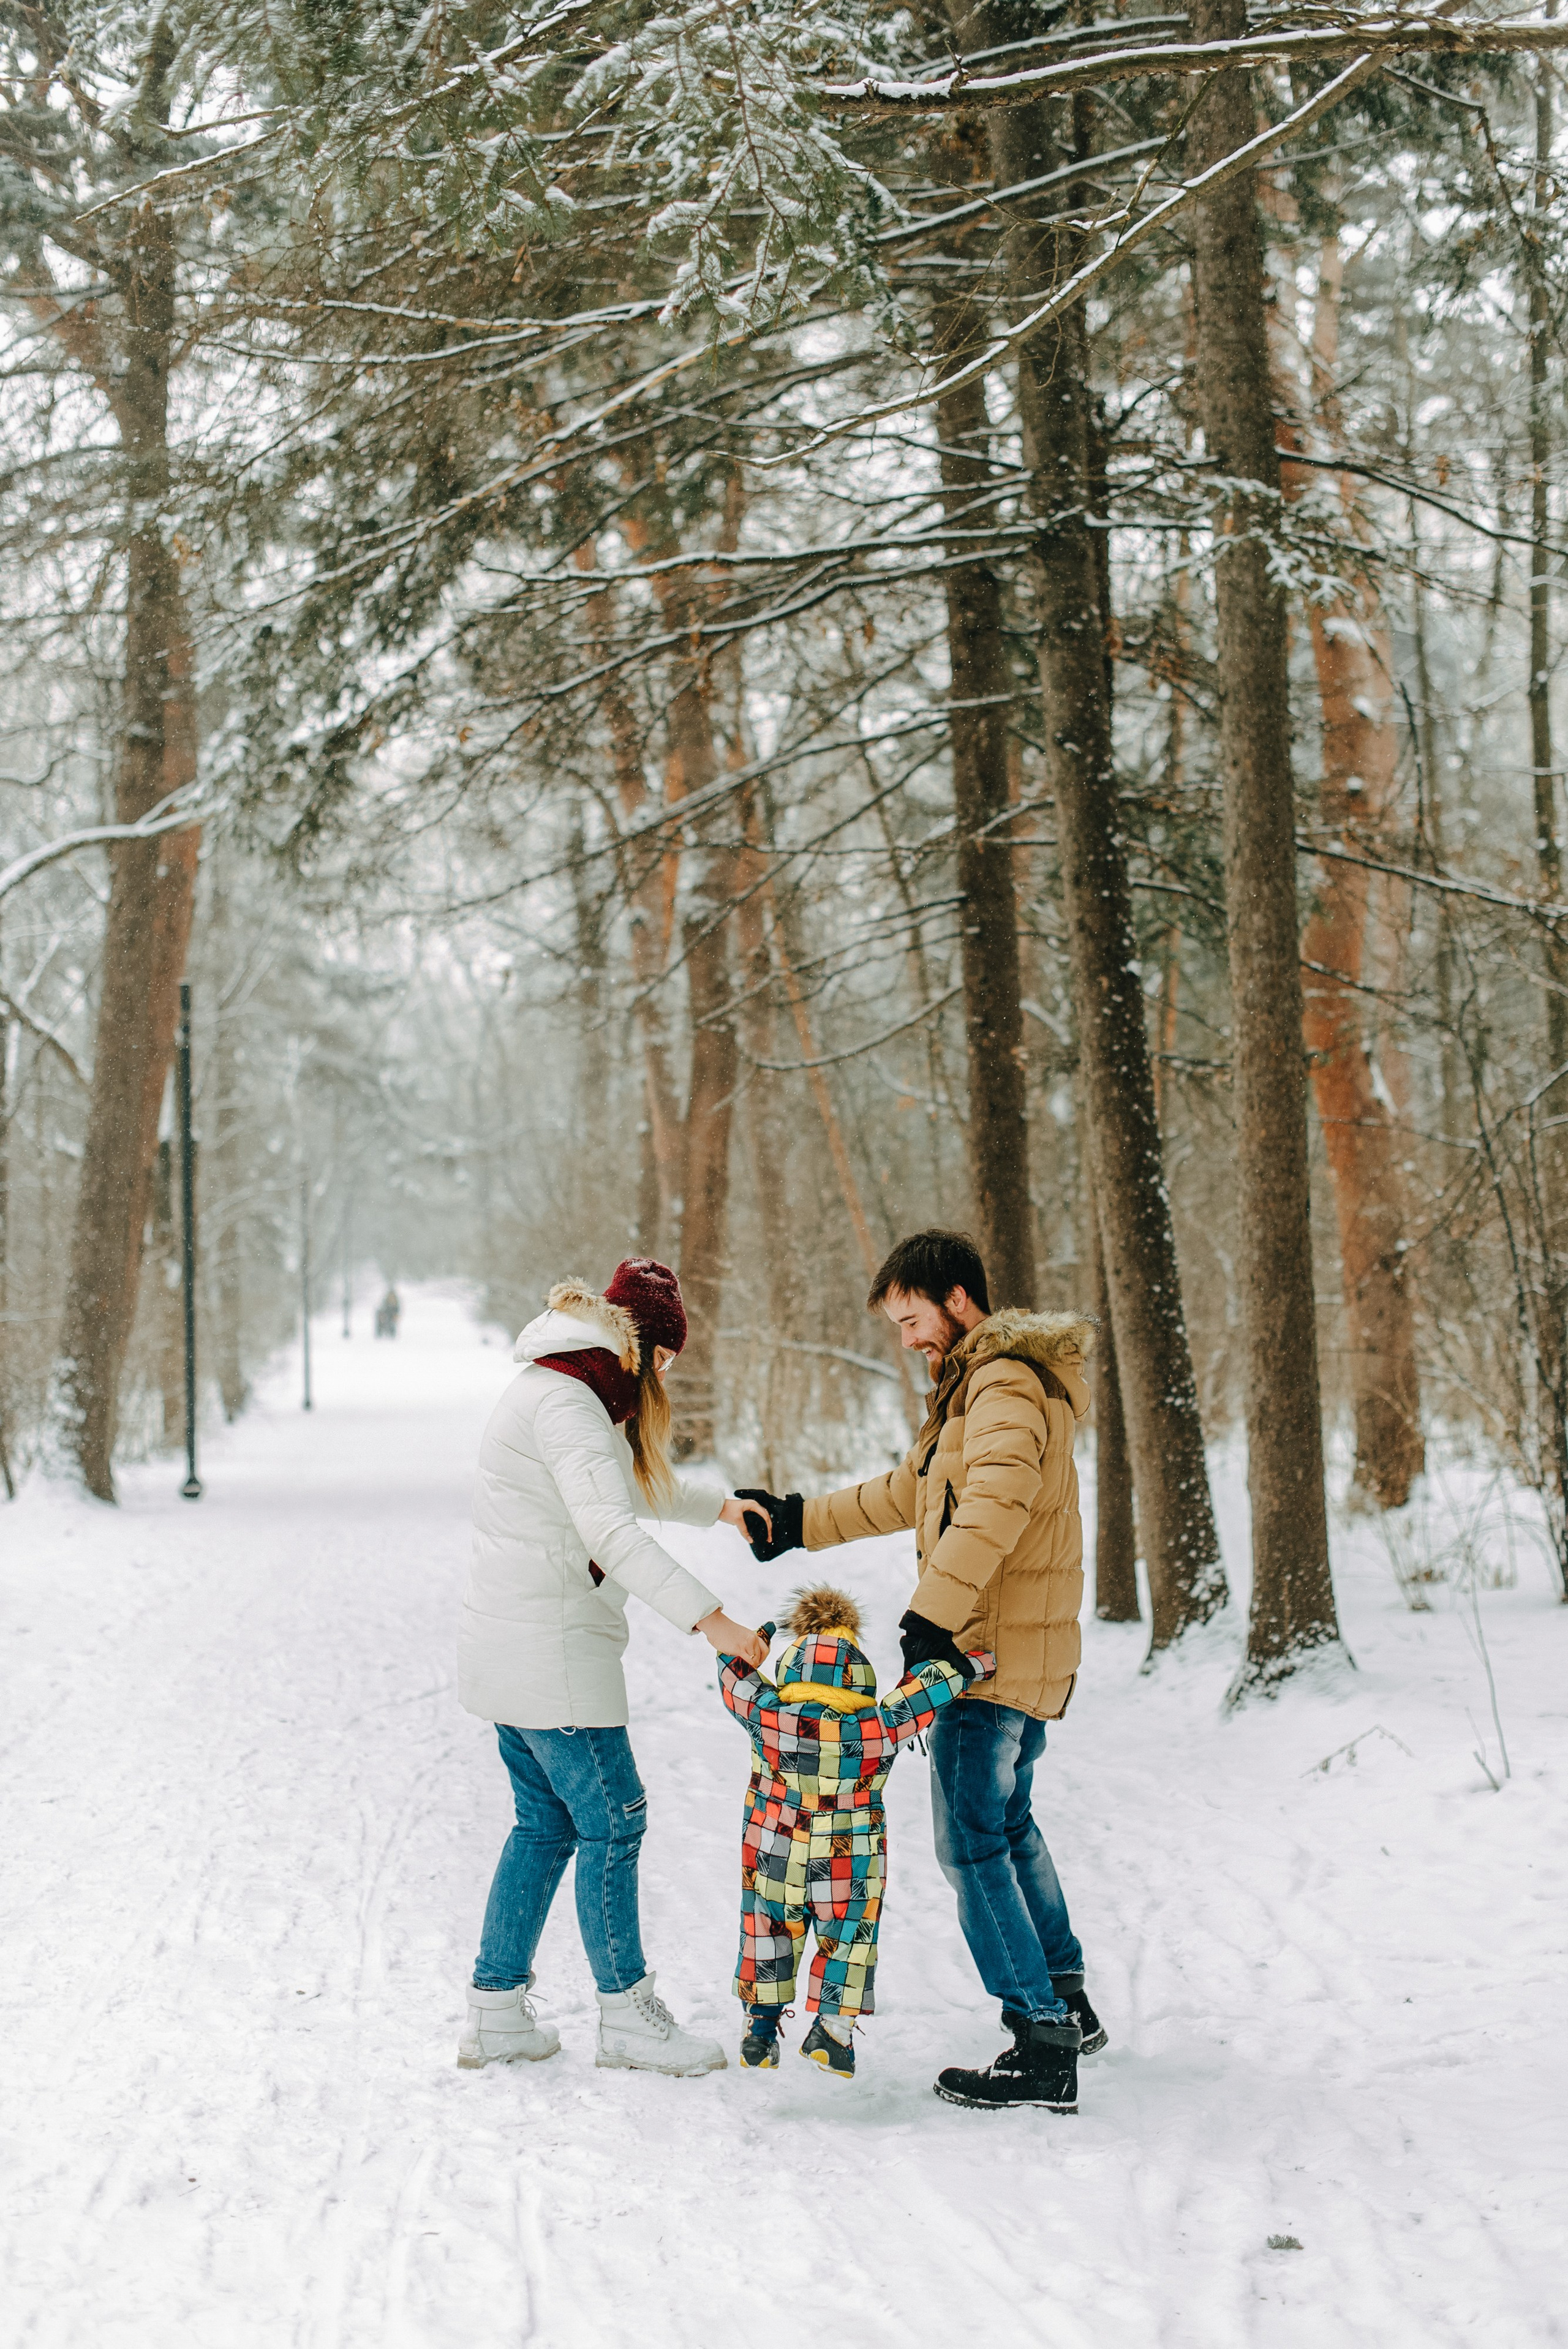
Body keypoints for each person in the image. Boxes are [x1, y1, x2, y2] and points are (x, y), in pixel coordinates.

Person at [738, 1227, 1104, 2114]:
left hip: (985, 1654)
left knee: (970, 1841)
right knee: (1007, 1828)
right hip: (1006, 1646)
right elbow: (912, 1492)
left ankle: (1042, 2040)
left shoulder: (1004, 1382)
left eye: (912, 1317)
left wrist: (930, 1619)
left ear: (958, 1300)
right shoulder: (977, 1391)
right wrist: (797, 1520)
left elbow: (994, 1505)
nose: (906, 1337)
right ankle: (1068, 2002)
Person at [456, 1258, 768, 2078]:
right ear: (640, 1343)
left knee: (547, 1823)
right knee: (615, 1819)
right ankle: (627, 2012)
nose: (664, 1375)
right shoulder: (570, 1403)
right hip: (552, 1654)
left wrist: (720, 1504)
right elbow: (613, 1532)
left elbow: (614, 1487)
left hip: (519, 1647)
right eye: (664, 1358)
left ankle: (495, 2012)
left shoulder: (561, 1385)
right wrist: (716, 1620)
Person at [714, 1584, 992, 2079]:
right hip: (849, 1865)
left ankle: (760, 2026)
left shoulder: (767, 1715)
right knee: (849, 1937)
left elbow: (733, 1676)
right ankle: (833, 2032)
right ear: (857, 1674)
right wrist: (971, 1666)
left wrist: (749, 1640)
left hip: (774, 1855)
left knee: (767, 1927)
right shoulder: (876, 1726)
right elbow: (921, 1695)